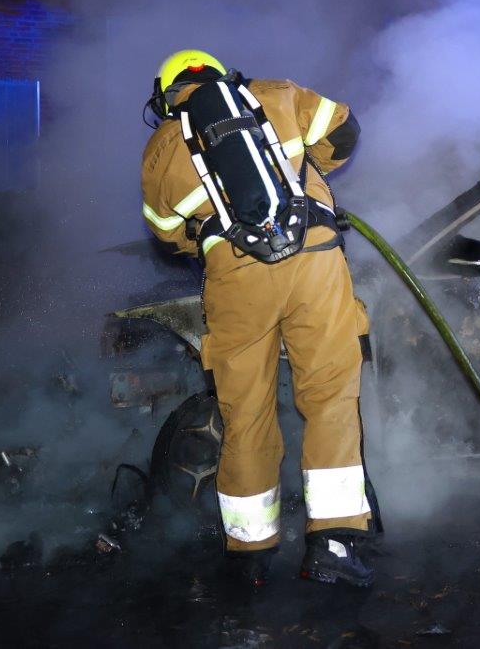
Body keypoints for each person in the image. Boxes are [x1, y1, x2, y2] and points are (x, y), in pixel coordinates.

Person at [140, 49, 371, 588]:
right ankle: (334, 547)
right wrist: (307, 174)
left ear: (168, 95)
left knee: (244, 415)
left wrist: (217, 238)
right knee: (331, 399)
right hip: (315, 260)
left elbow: (167, 234)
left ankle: (249, 556)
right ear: (221, 74)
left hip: (237, 278)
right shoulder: (276, 93)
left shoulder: (161, 149)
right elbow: (345, 131)